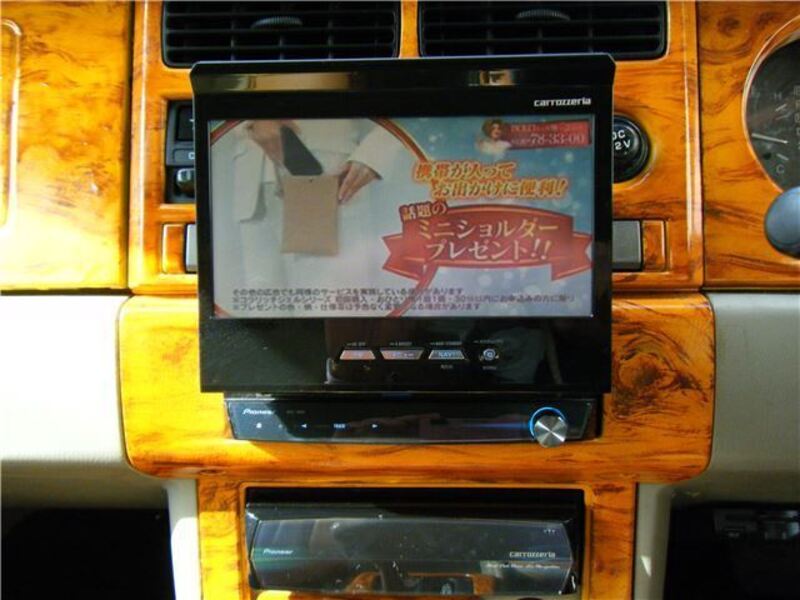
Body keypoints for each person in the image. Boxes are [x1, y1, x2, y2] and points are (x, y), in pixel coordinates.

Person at [210, 118, 404, 307]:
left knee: (330, 306)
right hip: (253, 183)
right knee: (263, 313)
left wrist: (375, 153)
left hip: (326, 174)